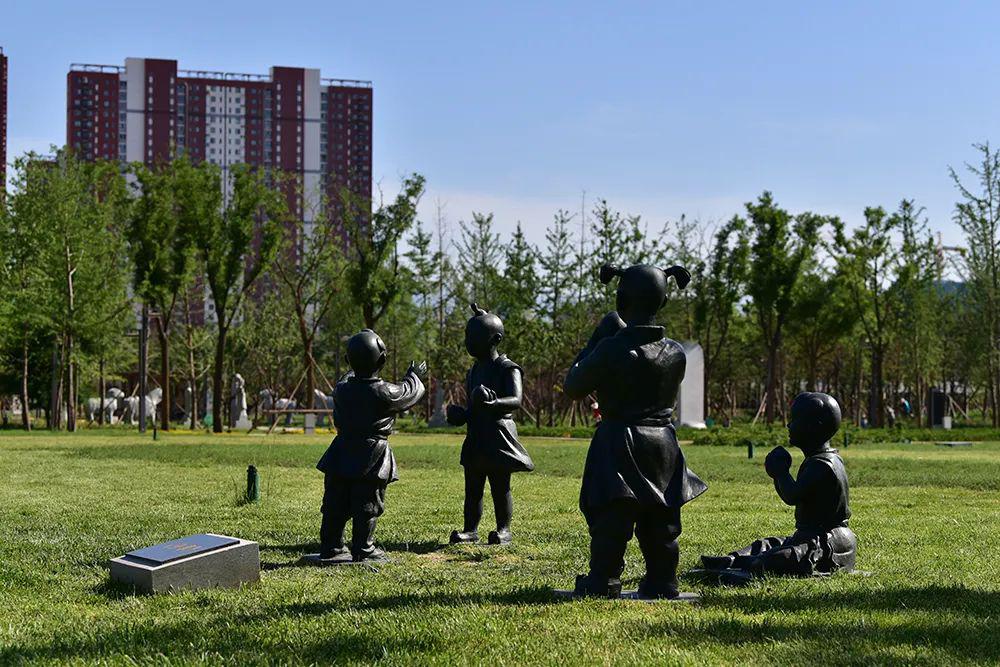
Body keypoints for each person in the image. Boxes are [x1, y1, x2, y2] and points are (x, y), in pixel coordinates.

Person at [564, 264, 707, 599]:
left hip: (618, 440)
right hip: (662, 444)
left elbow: (573, 386)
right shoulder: (675, 353)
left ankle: (603, 579)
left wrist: (598, 338)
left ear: (620, 299)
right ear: (663, 301)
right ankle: (663, 581)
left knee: (612, 516)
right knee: (662, 520)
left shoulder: (612, 349)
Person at [700, 392, 856, 576]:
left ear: (814, 427)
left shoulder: (822, 465)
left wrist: (780, 473)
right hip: (810, 536)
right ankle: (733, 559)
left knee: (777, 559)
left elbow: (792, 496)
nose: (789, 425)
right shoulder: (821, 459)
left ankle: (746, 562)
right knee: (767, 543)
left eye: (795, 420)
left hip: (829, 543)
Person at [316, 329, 426, 562]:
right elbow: (411, 392)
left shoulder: (342, 390)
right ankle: (363, 549)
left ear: (348, 361)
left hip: (341, 451)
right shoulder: (384, 392)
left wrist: (352, 364)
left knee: (335, 502)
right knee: (368, 503)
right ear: (383, 360)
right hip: (371, 455)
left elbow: (345, 378)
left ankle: (331, 547)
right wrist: (414, 375)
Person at [447, 303, 534, 545]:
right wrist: (461, 414)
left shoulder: (507, 368)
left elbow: (515, 400)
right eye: (467, 336)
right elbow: (474, 407)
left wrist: (493, 401)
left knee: (500, 485)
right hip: (476, 436)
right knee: (472, 487)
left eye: (474, 336)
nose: (468, 341)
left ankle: (503, 529)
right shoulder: (473, 371)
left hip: (498, 435)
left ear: (495, 339)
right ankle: (470, 529)